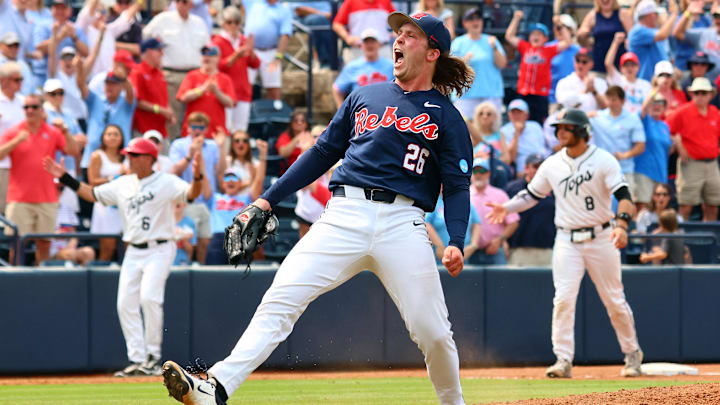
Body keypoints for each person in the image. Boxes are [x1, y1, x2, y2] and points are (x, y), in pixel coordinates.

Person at [160, 12, 473, 405]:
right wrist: (266, 198)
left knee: (432, 332)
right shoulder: (365, 95)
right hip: (343, 215)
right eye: (398, 32)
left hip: (402, 222)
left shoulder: (448, 116)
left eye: (410, 35)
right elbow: (324, 151)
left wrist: (457, 239)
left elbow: (457, 186)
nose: (399, 39)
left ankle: (453, 402)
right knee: (281, 298)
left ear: (432, 52)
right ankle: (215, 386)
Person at [486, 108, 643, 379]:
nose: (560, 132)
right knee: (563, 299)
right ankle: (563, 359)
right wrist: (507, 206)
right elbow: (532, 194)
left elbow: (625, 195)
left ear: (581, 131)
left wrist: (623, 225)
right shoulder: (552, 163)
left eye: (567, 128)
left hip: (601, 235)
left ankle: (632, 354)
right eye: (558, 128)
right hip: (567, 238)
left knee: (614, 300)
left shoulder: (603, 159)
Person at [43, 137, 203, 377]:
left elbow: (191, 194)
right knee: (125, 304)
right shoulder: (123, 183)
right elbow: (92, 194)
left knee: (149, 298)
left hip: (160, 247)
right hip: (134, 249)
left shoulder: (166, 181)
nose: (130, 158)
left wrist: (198, 175)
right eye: (129, 154)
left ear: (149, 159)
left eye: (135, 155)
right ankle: (137, 359)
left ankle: (153, 356)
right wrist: (65, 177)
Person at [0, 93, 80, 264]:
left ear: (42, 109)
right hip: (19, 198)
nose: (30, 110)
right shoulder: (14, 132)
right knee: (18, 245)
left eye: (34, 107)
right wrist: (17, 141)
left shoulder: (52, 132)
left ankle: (41, 281)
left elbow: (73, 151)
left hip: (47, 197)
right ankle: (15, 282)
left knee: (44, 244)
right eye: (26, 107)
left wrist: (65, 131)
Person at [143, 0, 210, 140]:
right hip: (171, 74)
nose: (183, 4)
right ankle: (174, 149)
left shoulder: (199, 22)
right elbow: (145, 38)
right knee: (173, 117)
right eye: (181, 1)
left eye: (186, 2)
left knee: (195, 118)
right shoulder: (162, 19)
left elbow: (207, 48)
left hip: (195, 75)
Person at [169, 111, 226, 264]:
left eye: (201, 127)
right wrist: (190, 153)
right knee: (188, 243)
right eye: (194, 127)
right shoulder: (179, 144)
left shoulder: (214, 146)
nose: (197, 131)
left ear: (206, 129)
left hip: (207, 202)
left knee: (205, 242)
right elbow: (174, 171)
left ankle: (200, 270)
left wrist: (221, 148)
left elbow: (221, 171)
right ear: (188, 128)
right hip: (186, 201)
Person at [665, 77, 720, 222]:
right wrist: (678, 143)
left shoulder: (715, 112)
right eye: (697, 93)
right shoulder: (682, 112)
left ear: (711, 95)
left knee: (713, 205)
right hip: (690, 164)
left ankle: (710, 242)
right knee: (685, 206)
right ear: (691, 94)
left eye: (704, 93)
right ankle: (681, 242)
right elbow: (664, 129)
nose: (700, 96)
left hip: (712, 164)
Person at [505, 10, 571, 124]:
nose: (535, 36)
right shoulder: (525, 47)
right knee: (521, 122)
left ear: (545, 38)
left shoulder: (548, 50)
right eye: (533, 34)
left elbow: (567, 42)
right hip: (524, 93)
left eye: (539, 34)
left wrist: (560, 25)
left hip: (540, 94)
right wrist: (516, 19)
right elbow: (509, 36)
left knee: (539, 123)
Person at [450, 7, 506, 117]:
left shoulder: (492, 40)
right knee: (465, 131)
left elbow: (502, 64)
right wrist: (464, 61)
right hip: (465, 96)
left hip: (491, 95)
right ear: (465, 23)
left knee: (491, 131)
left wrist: (494, 47)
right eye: (471, 19)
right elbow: (451, 70)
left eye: (478, 19)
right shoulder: (458, 43)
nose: (475, 22)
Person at [212, 6, 260, 134]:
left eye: (236, 22)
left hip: (242, 91)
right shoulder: (216, 42)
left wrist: (251, 51)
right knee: (226, 129)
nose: (233, 26)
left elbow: (255, 64)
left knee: (240, 130)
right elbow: (217, 66)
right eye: (229, 22)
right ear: (223, 23)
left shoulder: (243, 40)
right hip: (225, 92)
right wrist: (236, 56)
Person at [588, 86, 646, 191]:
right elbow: (580, 120)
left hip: (624, 171)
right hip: (600, 170)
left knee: (625, 205)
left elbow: (641, 145)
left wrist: (625, 155)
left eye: (614, 100)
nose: (610, 103)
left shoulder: (633, 118)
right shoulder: (597, 117)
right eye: (608, 99)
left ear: (622, 101)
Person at [505, 153, 555, 266]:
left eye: (542, 167)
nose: (539, 170)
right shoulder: (512, 188)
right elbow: (504, 217)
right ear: (526, 168)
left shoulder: (553, 188)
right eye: (536, 166)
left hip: (547, 249)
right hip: (519, 248)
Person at [176, 44, 235, 138]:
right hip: (193, 131)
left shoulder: (225, 79)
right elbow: (183, 97)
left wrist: (216, 91)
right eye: (204, 54)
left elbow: (231, 103)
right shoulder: (192, 75)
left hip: (216, 132)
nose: (207, 57)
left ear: (218, 57)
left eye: (211, 54)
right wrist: (202, 89)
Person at [209, 141, 267, 235]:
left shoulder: (247, 199)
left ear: (240, 183)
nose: (230, 180)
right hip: (218, 237)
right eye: (227, 177)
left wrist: (263, 155)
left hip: (238, 236)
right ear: (223, 183)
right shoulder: (214, 198)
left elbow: (259, 181)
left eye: (234, 177)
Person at [468, 157, 518, 265]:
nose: (478, 174)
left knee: (501, 281)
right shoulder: (464, 195)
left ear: (489, 174)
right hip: (468, 251)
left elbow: (513, 222)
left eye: (482, 171)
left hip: (495, 249)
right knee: (467, 281)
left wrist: (500, 240)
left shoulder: (500, 195)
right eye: (475, 171)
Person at [88, 124, 126, 261]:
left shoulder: (126, 157)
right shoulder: (97, 156)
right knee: (107, 249)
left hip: (122, 206)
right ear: (103, 138)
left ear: (122, 138)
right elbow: (92, 181)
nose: (112, 137)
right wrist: (114, 177)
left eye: (116, 134)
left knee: (127, 247)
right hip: (104, 206)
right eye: (109, 134)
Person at [30, 0, 89, 86]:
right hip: (45, 76)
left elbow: (86, 52)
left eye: (63, 8)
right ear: (52, 9)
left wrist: (74, 37)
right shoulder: (43, 25)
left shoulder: (75, 28)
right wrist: (61, 36)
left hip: (69, 76)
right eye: (57, 8)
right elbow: (39, 48)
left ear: (69, 11)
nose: (60, 11)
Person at [332, 28, 394, 109]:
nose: (370, 45)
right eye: (366, 42)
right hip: (360, 111)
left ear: (379, 44)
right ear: (361, 45)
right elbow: (337, 89)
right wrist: (341, 112)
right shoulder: (352, 67)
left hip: (385, 111)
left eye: (373, 42)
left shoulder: (391, 65)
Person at [244, 0, 292, 101]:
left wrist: (278, 57)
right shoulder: (252, 2)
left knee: (273, 88)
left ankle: (274, 114)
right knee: (245, 86)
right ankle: (245, 114)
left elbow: (285, 35)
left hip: (271, 52)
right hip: (249, 51)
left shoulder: (284, 10)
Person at [129, 38, 176, 139]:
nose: (162, 54)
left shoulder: (159, 73)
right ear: (149, 51)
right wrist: (160, 110)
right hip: (144, 129)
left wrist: (169, 112)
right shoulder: (137, 72)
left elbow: (163, 99)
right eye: (158, 50)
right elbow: (137, 101)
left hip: (161, 130)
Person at [634, 92, 672, 212]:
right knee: (643, 206)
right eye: (653, 102)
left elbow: (666, 150)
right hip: (644, 171)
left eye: (660, 102)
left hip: (661, 172)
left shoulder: (665, 126)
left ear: (665, 107)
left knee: (659, 208)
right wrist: (656, 89)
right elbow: (643, 110)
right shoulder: (644, 121)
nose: (656, 105)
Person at [576, 0, 633, 74]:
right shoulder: (592, 15)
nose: (605, 0)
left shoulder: (622, 13)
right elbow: (581, 34)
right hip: (599, 65)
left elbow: (632, 35)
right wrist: (584, 35)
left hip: (619, 66)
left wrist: (626, 41)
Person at [627, 0, 678, 82]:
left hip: (658, 80)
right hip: (646, 82)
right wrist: (674, 14)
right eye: (657, 14)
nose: (659, 17)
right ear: (650, 15)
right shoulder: (638, 31)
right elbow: (663, 35)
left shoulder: (653, 31)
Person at [604, 32, 652, 114]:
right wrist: (616, 43)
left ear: (638, 67)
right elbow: (608, 64)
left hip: (640, 121)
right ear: (621, 69)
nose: (629, 68)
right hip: (621, 119)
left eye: (633, 65)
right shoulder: (618, 80)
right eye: (626, 65)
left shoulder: (646, 85)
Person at [673, 0, 720, 82]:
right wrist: (688, 13)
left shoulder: (705, 21)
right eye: (716, 16)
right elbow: (678, 33)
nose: (718, 19)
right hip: (701, 84)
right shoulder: (704, 33)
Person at [0, 61, 25, 215]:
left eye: (21, 79)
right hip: (2, 163)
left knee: (18, 210)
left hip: (22, 163)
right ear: (4, 81)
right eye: (17, 80)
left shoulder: (25, 103)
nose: (20, 83)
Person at [499, 99, 547, 177]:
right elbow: (510, 157)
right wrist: (516, 133)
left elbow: (543, 147)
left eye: (519, 112)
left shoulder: (535, 126)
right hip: (523, 168)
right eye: (513, 113)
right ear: (509, 115)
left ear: (527, 115)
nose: (516, 116)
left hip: (541, 161)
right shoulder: (504, 131)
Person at [555, 48, 608, 114]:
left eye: (584, 62)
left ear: (591, 64)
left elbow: (606, 107)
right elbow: (563, 106)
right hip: (572, 122)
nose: (580, 65)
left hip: (594, 122)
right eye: (578, 61)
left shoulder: (600, 82)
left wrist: (594, 91)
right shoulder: (564, 82)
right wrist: (585, 91)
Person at [549, 14, 581, 105]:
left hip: (574, 100)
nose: (560, 30)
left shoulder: (579, 51)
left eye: (564, 27)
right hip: (552, 100)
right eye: (558, 27)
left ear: (571, 31)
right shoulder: (547, 48)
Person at [173, 200, 196, 265]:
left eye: (179, 199)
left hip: (181, 260)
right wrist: (182, 235)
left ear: (185, 204)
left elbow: (190, 252)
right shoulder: (163, 222)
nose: (177, 201)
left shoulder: (189, 222)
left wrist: (184, 239)